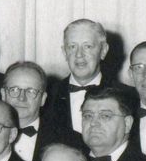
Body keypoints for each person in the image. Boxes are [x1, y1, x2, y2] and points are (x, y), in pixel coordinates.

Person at [45, 17, 117, 148]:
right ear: (64, 52)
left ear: (103, 51)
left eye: (87, 46)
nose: (79, 54)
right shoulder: (47, 95)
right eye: (72, 47)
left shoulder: (126, 95)